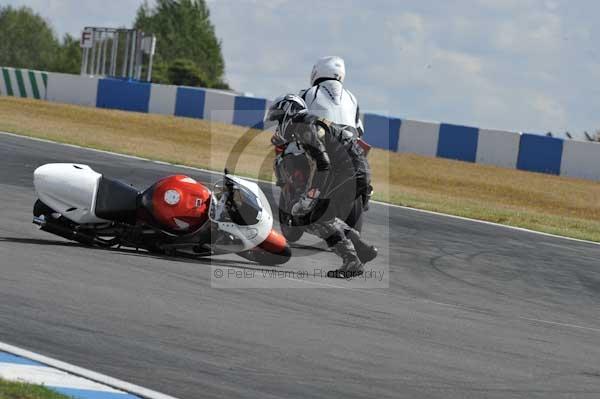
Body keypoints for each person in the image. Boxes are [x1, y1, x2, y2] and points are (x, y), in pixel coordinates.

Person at [266, 94, 377, 278]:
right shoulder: (306, 124)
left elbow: (323, 163)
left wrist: (311, 196)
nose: (278, 126)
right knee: (326, 216)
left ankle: (352, 260)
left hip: (348, 172)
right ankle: (362, 249)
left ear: (289, 112)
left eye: (279, 119)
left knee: (313, 217)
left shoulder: (304, 126)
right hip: (354, 171)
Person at [300, 56, 364, 137]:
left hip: (318, 144)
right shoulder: (352, 98)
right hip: (347, 146)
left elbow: (295, 119)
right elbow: (360, 130)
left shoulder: (308, 93)